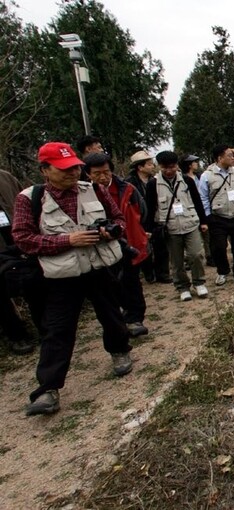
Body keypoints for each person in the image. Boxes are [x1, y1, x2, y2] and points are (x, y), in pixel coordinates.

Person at [13, 142, 132, 416]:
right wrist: (67, 240)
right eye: (64, 169)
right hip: (61, 276)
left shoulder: (95, 190)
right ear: (45, 170)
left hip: (99, 266)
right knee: (57, 329)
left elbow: (118, 218)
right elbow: (23, 239)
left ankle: (120, 350)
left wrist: (111, 232)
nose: (72, 174)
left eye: (75, 168)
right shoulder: (29, 199)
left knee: (111, 315)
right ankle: (48, 389)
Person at [83, 153, 149, 337]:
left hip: (129, 242)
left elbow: (142, 212)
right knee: (112, 285)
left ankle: (135, 318)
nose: (103, 177)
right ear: (87, 174)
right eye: (97, 173)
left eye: (106, 172)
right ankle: (120, 318)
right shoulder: (84, 195)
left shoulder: (127, 188)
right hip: (100, 249)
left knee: (131, 281)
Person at [146, 151, 208, 301]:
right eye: (165, 167)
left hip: (190, 223)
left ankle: (199, 282)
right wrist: (148, 229)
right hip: (170, 227)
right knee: (177, 260)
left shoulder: (187, 180)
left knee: (196, 254)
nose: (169, 171)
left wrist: (203, 221)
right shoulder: (153, 184)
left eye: (172, 167)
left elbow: (197, 201)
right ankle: (182, 286)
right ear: (159, 166)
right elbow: (150, 207)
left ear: (177, 166)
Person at [199, 145, 234, 286]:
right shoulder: (207, 176)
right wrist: (208, 216)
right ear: (219, 158)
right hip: (218, 217)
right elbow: (203, 198)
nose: (233, 158)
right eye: (229, 155)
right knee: (218, 247)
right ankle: (222, 271)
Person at [0, 169, 37, 354]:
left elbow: (26, 202)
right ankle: (17, 336)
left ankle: (45, 328)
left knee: (32, 283)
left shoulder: (5, 177)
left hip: (19, 242)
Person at [127, 150, 170, 283]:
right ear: (140, 167)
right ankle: (148, 274)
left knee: (161, 246)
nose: (152, 167)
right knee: (143, 247)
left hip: (155, 218)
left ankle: (163, 274)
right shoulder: (129, 184)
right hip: (138, 220)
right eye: (149, 164)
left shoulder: (156, 181)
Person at [180, 154, 213, 265]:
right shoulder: (182, 179)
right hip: (188, 210)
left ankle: (209, 256)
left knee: (207, 234)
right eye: (195, 162)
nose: (197, 164)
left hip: (202, 208)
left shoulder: (199, 176)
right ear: (189, 165)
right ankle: (188, 260)